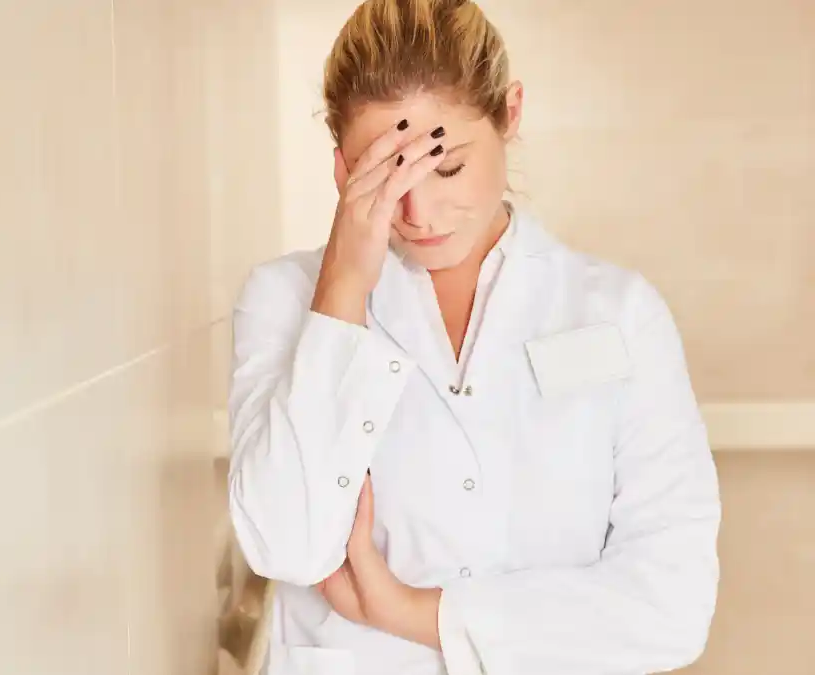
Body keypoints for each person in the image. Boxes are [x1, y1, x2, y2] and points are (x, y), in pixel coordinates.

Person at [225, 0, 722, 673]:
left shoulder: (619, 312)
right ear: (341, 168)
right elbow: (285, 543)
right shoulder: (285, 301)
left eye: (448, 166)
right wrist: (342, 291)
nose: (419, 212)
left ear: (510, 113)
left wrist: (412, 610)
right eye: (383, 175)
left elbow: (673, 605)